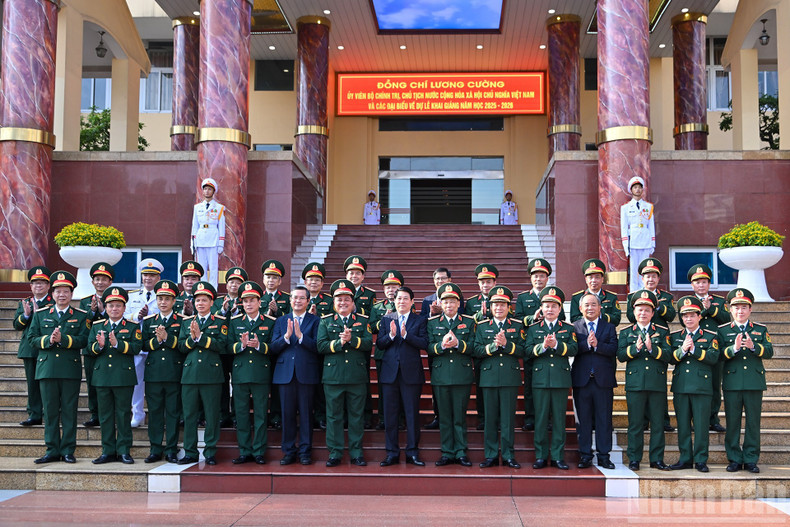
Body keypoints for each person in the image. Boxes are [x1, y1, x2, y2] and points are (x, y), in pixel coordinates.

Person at [27, 271, 90, 464]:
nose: (61, 295)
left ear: (71, 294)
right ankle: (52, 449)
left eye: (66, 291)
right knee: (50, 411)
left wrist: (64, 340)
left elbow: (85, 340)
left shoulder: (81, 316)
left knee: (69, 411)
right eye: (58, 291)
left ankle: (68, 450)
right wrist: (48, 340)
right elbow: (31, 339)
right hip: (47, 370)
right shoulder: (41, 315)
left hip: (69, 370)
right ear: (52, 293)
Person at [317, 279, 372, 467]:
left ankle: (356, 452)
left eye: (347, 299)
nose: (343, 303)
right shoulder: (325, 321)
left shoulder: (363, 321)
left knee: (356, 416)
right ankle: (335, 453)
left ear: (353, 302)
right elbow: (321, 346)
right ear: (334, 302)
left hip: (356, 376)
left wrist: (352, 339)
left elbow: (367, 344)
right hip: (333, 377)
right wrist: (339, 343)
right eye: (339, 299)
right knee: (333, 416)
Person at [718, 288, 773, 474]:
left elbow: (769, 351)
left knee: (752, 423)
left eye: (744, 307)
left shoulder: (760, 329)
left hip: (753, 382)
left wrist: (753, 346)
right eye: (736, 308)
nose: (740, 311)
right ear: (730, 310)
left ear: (750, 309)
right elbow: (718, 355)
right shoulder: (723, 330)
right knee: (732, 422)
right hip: (732, 382)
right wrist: (732, 349)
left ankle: (750, 459)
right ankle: (734, 458)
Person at [617, 290, 672, 471]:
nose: (643, 313)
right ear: (634, 312)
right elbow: (621, 355)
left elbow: (669, 356)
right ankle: (634, 458)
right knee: (635, 424)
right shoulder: (626, 333)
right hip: (635, 384)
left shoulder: (662, 332)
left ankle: (657, 459)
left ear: (652, 313)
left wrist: (652, 349)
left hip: (656, 383)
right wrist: (635, 349)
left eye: (647, 310)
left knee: (657, 424)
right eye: (639, 310)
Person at [88, 287, 142, 464]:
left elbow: (136, 348)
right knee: (105, 416)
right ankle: (108, 451)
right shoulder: (97, 326)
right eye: (111, 305)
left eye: (118, 305)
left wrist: (118, 344)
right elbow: (89, 349)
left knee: (123, 414)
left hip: (122, 377)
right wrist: (100, 346)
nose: (114, 309)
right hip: (102, 377)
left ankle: (124, 450)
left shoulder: (132, 327)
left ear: (124, 308)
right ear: (106, 307)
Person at [473, 286, 525, 469]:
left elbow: (523, 350)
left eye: (503, 304)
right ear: (490, 306)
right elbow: (476, 350)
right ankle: (491, 454)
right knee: (490, 419)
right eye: (495, 304)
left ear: (508, 307)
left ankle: (509, 455)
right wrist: (493, 347)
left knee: (508, 419)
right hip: (488, 378)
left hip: (509, 377)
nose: (499, 308)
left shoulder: (517, 326)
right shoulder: (482, 326)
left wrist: (507, 344)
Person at [526, 287, 578, 470]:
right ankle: (540, 456)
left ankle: (557, 456)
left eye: (554, 306)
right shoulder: (533, 329)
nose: (550, 309)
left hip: (560, 379)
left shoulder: (568, 328)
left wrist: (557, 345)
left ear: (559, 309)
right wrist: (542, 347)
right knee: (540, 419)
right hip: (540, 379)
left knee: (558, 419)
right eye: (546, 306)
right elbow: (527, 351)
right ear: (541, 308)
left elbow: (573, 349)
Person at [377, 286, 428, 467]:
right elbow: (380, 344)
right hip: (390, 374)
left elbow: (425, 343)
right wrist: (391, 336)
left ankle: (412, 452)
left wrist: (406, 336)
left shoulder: (419, 320)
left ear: (412, 302)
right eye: (399, 298)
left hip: (411, 374)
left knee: (411, 415)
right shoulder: (386, 319)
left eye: (406, 298)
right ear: (394, 301)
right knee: (390, 416)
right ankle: (392, 453)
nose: (402, 301)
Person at [177, 281, 227, 465]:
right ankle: (190, 452)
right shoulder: (186, 322)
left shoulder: (220, 322)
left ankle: (210, 452)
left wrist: (201, 338)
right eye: (197, 300)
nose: (200, 303)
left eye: (204, 300)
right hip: (190, 375)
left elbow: (222, 345)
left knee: (212, 414)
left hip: (211, 375)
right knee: (190, 415)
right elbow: (181, 346)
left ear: (212, 302)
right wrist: (192, 339)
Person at [226, 281, 276, 465]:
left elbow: (274, 347)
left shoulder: (269, 322)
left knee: (261, 415)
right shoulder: (235, 322)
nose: (248, 304)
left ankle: (259, 451)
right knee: (242, 414)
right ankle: (245, 451)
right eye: (245, 301)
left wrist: (260, 346)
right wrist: (241, 345)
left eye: (252, 300)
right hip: (240, 374)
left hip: (261, 374)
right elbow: (227, 346)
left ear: (259, 302)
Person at [668, 296, 720, 473]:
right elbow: (670, 359)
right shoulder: (676, 337)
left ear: (699, 316)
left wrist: (695, 350)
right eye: (685, 316)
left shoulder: (710, 336)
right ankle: (685, 458)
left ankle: (700, 460)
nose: (688, 319)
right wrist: (682, 350)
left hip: (701, 387)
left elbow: (713, 358)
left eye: (692, 315)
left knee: (701, 425)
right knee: (682, 425)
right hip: (681, 386)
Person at [427, 283, 476, 467]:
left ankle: (461, 451)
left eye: (452, 301)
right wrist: (441, 345)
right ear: (440, 303)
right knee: (445, 417)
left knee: (459, 416)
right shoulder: (432, 322)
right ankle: (447, 452)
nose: (449, 305)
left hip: (461, 375)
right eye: (445, 302)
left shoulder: (469, 322)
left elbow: (473, 347)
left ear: (458, 303)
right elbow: (429, 348)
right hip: (440, 376)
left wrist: (457, 344)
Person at [271, 285, 320, 466]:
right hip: (285, 375)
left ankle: (306, 452)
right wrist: (286, 337)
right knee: (287, 414)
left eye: (301, 298)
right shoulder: (281, 321)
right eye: (294, 297)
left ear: (308, 301)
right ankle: (289, 451)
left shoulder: (315, 321)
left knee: (306, 415)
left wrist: (300, 337)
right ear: (290, 300)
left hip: (306, 373)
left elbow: (318, 347)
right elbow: (273, 347)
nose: (297, 300)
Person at [626, 257, 676, 432]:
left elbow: (671, 316)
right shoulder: (633, 296)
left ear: (658, 278)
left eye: (654, 276)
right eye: (647, 276)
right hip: (639, 339)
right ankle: (644, 419)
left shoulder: (666, 297)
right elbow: (631, 317)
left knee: (658, 381)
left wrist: (656, 305)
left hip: (659, 340)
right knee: (641, 382)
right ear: (641, 278)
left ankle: (662, 419)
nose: (650, 279)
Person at [514, 258, 564, 431]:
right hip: (531, 345)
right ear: (531, 278)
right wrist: (532, 318)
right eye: (535, 276)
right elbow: (517, 319)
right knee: (530, 384)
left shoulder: (555, 296)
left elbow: (562, 319)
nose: (538, 279)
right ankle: (530, 417)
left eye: (542, 276)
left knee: (550, 385)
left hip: (551, 345)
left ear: (547, 278)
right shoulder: (523, 297)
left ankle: (548, 418)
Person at [571, 292, 618, 470]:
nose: (590, 308)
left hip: (603, 381)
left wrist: (597, 345)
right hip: (582, 381)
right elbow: (571, 349)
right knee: (582, 420)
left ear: (600, 308)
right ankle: (585, 455)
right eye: (587, 305)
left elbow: (614, 349)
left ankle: (604, 455)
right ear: (580, 308)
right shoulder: (574, 327)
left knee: (603, 419)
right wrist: (587, 345)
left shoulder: (609, 327)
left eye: (593, 305)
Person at [140, 279, 184, 464]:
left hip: (174, 373)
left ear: (174, 301)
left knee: (173, 413)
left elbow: (183, 345)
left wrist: (168, 338)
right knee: (155, 412)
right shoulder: (150, 321)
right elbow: (142, 345)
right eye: (160, 298)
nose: (163, 302)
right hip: (154, 374)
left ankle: (172, 449)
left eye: (167, 298)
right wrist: (157, 341)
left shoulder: (181, 321)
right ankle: (155, 448)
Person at [687, 263, 730, 433]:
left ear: (709, 283)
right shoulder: (687, 302)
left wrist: (711, 309)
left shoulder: (719, 301)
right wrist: (703, 311)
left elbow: (727, 318)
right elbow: (684, 320)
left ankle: (713, 418)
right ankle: (693, 419)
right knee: (693, 386)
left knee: (714, 385)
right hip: (693, 348)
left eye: (704, 281)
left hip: (714, 349)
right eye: (697, 282)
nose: (701, 285)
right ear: (692, 285)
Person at [126, 258, 164, 428]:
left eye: (152, 275)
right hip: (137, 345)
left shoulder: (164, 296)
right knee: (136, 382)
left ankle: (159, 415)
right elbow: (124, 316)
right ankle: (138, 413)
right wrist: (137, 316)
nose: (148, 278)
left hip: (156, 345)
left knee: (158, 383)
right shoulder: (132, 296)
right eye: (145, 275)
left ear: (158, 278)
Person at [14, 266, 52, 427]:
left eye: (42, 283)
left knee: (48, 384)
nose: (38, 286)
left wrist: (39, 315)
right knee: (32, 383)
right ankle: (34, 414)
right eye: (35, 283)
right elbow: (16, 325)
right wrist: (27, 315)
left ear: (48, 286)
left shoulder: (54, 302)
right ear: (31, 286)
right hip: (30, 349)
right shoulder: (26, 303)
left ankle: (49, 413)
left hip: (47, 348)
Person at [369, 270, 406, 430]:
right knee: (384, 388)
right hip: (383, 352)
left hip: (401, 351)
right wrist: (384, 320)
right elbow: (370, 327)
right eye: (388, 287)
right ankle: (384, 419)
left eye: (394, 286)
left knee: (402, 387)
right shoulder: (378, 307)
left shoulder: (406, 304)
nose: (391, 290)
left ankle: (400, 419)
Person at [79, 262, 114, 428]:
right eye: (97, 279)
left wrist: (103, 312)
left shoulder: (115, 301)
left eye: (104, 279)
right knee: (93, 383)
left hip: (112, 349)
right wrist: (92, 313)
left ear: (110, 282)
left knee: (111, 384)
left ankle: (110, 413)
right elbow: (82, 327)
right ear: (92, 282)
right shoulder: (85, 302)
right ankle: (95, 414)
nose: (100, 282)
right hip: (92, 349)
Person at [214, 266, 248, 428]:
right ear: (226, 285)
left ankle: (236, 415)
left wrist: (236, 313)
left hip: (238, 350)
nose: (234, 285)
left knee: (238, 384)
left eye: (238, 282)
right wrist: (224, 310)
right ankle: (223, 414)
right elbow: (212, 320)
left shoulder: (247, 301)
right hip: (220, 349)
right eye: (231, 282)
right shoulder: (218, 301)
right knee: (221, 383)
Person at [465, 263, 499, 430]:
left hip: (500, 347)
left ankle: (498, 417)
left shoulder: (502, 299)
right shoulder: (472, 302)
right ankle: (482, 417)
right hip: (480, 347)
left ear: (495, 283)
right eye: (482, 282)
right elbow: (466, 322)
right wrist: (480, 315)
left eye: (489, 282)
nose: (485, 285)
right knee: (480, 385)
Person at [302, 262, 332, 430]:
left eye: (317, 280)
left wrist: (316, 317)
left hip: (321, 350)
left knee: (321, 386)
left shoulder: (328, 301)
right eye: (310, 279)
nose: (313, 282)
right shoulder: (297, 299)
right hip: (303, 350)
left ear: (322, 283)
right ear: (305, 282)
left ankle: (320, 416)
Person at [620, 176, 655, 292]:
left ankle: (644, 290)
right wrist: (626, 245)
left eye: (639, 187)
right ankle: (634, 292)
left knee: (645, 267)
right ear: (631, 190)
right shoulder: (625, 208)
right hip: (633, 241)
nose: (638, 190)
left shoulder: (649, 207)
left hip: (645, 240)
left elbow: (651, 225)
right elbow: (624, 227)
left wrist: (652, 243)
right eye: (635, 187)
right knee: (634, 269)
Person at [191, 177, 226, 288]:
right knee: (202, 267)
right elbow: (194, 225)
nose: (207, 191)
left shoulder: (219, 208)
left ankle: (213, 290)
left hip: (213, 239)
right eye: (205, 189)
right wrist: (193, 242)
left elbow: (221, 227)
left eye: (209, 189)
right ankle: (203, 287)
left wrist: (221, 243)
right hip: (200, 238)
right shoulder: (197, 208)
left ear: (213, 191)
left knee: (213, 267)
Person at [569, 259, 621, 326]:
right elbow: (574, 319)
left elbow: (616, 319)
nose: (594, 280)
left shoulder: (611, 297)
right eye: (590, 278)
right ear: (586, 280)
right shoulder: (577, 298)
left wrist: (600, 316)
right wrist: (590, 317)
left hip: (605, 333)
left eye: (597, 277)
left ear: (602, 279)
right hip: (584, 333)